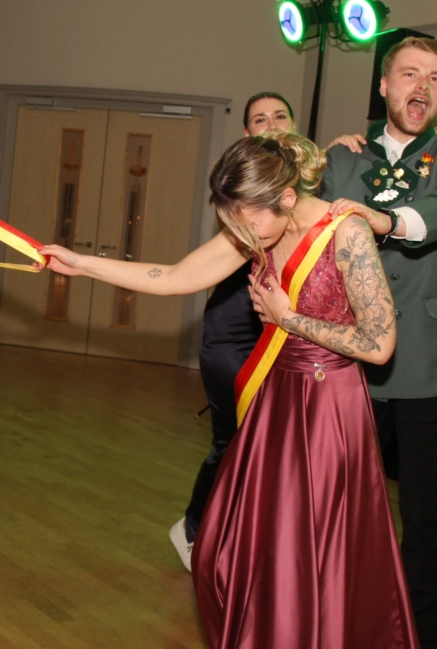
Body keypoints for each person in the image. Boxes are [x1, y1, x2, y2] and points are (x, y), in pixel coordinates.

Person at [43, 131, 418, 648]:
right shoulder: (257, 227)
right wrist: (82, 265)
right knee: (225, 545)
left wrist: (289, 319)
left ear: (287, 197)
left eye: (247, 220)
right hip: (274, 401)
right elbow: (175, 276)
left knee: (308, 552)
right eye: (232, 221)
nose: (241, 233)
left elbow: (379, 344)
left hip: (328, 410)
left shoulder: (345, 232)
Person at [321, 36, 437, 649]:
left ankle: (417, 637)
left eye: (435, 78)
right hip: (352, 363)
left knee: (426, 515)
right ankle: (337, 624)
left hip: (433, 365)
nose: (423, 86)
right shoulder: (342, 158)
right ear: (384, 86)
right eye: (410, 74)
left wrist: (390, 221)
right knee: (339, 512)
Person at [169, 92, 372, 572]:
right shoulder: (248, 205)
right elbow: (177, 276)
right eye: (260, 120)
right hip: (237, 326)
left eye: (281, 117)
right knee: (234, 441)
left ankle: (258, 549)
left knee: (277, 453)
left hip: (291, 334)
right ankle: (197, 528)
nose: (272, 124)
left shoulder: (307, 198)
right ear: (246, 136)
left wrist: (346, 149)